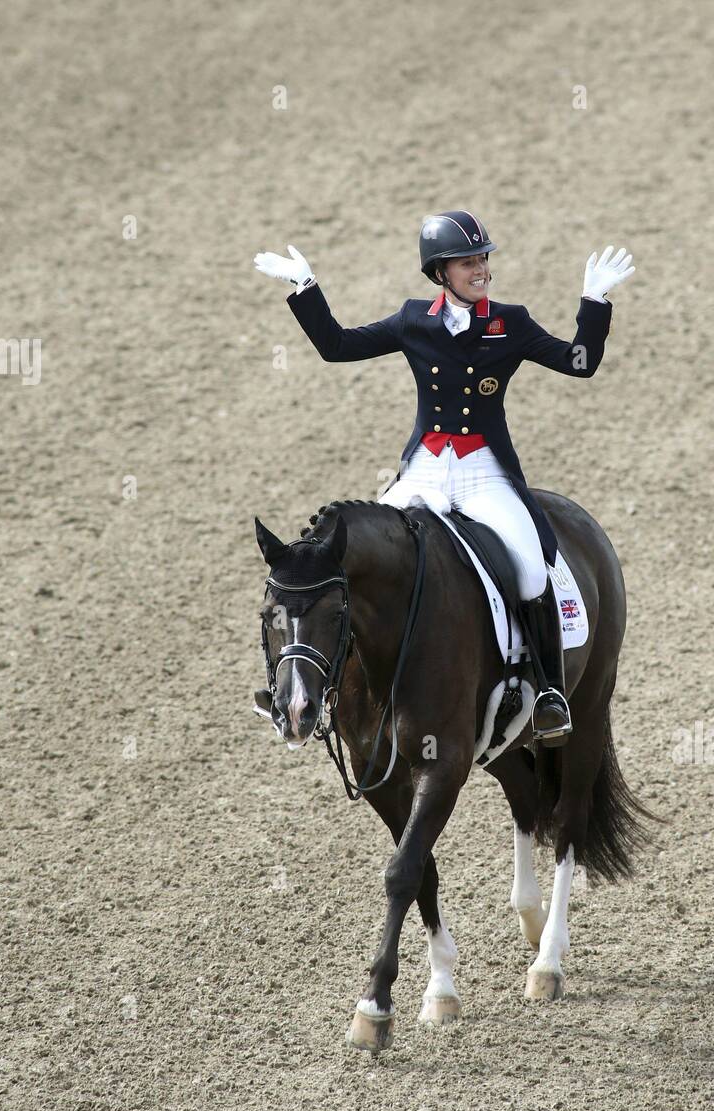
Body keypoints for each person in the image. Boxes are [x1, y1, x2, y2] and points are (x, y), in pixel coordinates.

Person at [254, 210, 634, 741]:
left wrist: (595, 303)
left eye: (483, 259)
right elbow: (337, 346)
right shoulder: (414, 320)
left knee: (529, 564)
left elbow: (580, 363)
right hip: (426, 471)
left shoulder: (512, 322)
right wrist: (306, 287)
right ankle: (319, 684)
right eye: (468, 262)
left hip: (483, 470)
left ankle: (548, 690)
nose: (481, 269)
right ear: (440, 272)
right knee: (350, 553)